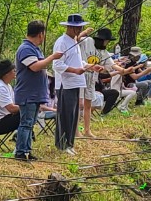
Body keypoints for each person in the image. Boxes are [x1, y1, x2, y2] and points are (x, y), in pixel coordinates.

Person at [13, 20, 62, 163]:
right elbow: (34, 67)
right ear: (41, 34)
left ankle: (27, 150)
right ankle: (21, 153)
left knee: (31, 122)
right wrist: (52, 57)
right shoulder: (25, 49)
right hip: (28, 94)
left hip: (34, 94)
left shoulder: (34, 48)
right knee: (26, 123)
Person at [51, 13, 95, 156]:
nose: (79, 29)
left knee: (74, 115)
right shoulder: (62, 42)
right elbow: (57, 64)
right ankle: (62, 144)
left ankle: (70, 143)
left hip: (76, 83)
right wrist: (74, 70)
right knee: (65, 115)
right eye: (76, 27)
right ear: (69, 27)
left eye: (80, 27)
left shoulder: (74, 42)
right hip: (65, 84)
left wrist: (90, 66)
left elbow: (77, 62)